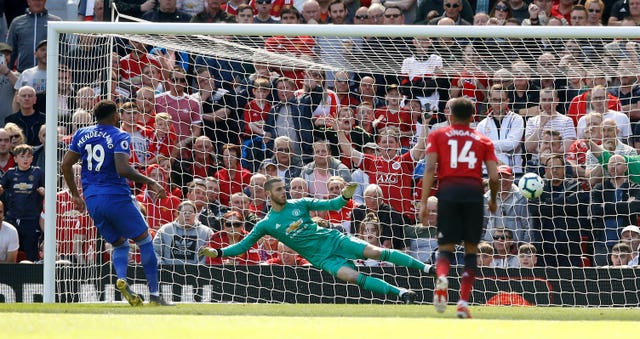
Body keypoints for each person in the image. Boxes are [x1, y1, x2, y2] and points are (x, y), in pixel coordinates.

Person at [199, 177, 436, 303]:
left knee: (375, 252)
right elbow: (243, 245)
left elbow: (331, 205)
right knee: (350, 277)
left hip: (333, 239)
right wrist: (218, 253)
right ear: (269, 195)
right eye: (280, 190)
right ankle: (402, 293)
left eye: (284, 188)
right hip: (321, 258)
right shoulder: (266, 224)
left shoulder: (299, 204)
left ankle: (426, 268)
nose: (285, 192)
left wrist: (344, 197)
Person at [60, 99, 173, 306]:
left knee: (120, 244)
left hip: (92, 200)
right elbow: (122, 169)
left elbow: (66, 165)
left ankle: (122, 279)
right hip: (116, 197)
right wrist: (151, 181)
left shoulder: (82, 134)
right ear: (114, 116)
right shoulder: (119, 135)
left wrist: (76, 195)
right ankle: (155, 296)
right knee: (145, 241)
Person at [420, 97, 500, 319]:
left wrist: (424, 201)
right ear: (473, 117)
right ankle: (463, 302)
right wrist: (492, 199)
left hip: (448, 193)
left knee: (445, 247)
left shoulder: (437, 135)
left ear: (450, 116)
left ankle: (442, 277)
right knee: (471, 250)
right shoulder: (483, 140)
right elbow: (494, 176)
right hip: (473, 194)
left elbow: (429, 169)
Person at [0, 144, 44, 262]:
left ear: (32, 158)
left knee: (31, 253)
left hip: (31, 219)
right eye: (22, 156)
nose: (25, 159)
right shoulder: (10, 173)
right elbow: (1, 187)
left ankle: (32, 278)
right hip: (12, 218)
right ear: (15, 159)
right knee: (11, 250)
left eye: (28, 156)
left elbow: (47, 191)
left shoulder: (37, 172)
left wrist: (44, 192)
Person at [153, 200, 214, 265]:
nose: (187, 215)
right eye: (184, 212)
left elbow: (211, 253)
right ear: (178, 214)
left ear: (195, 215)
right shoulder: (165, 230)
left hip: (197, 273)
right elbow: (154, 251)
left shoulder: (206, 232)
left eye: (190, 212)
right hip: (168, 272)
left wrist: (199, 268)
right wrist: (162, 266)